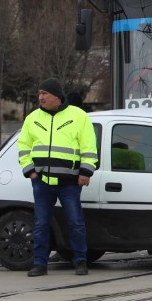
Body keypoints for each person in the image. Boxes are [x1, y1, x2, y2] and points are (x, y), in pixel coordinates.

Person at [17, 77, 98, 277]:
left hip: (69, 183)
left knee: (75, 223)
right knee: (41, 224)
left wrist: (85, 172)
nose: (40, 97)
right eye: (39, 93)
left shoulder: (78, 116)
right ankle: (39, 264)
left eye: (44, 94)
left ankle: (80, 261)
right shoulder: (32, 118)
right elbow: (23, 147)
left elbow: (89, 146)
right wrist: (31, 172)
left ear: (56, 96)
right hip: (42, 182)